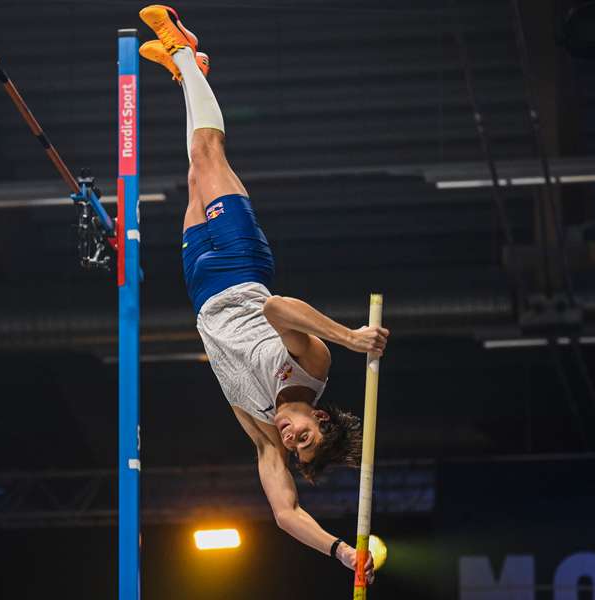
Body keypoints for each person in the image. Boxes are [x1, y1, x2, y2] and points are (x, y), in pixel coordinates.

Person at [138, 5, 389, 581]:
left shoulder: (262, 435)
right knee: (208, 153)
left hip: (201, 288)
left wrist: (341, 551)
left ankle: (189, 71)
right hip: (239, 263)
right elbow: (277, 306)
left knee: (194, 174)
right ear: (320, 416)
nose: (291, 439)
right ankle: (183, 50)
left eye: (296, 449)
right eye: (305, 437)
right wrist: (351, 337)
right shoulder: (313, 366)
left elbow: (283, 513)